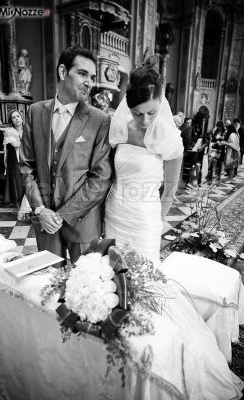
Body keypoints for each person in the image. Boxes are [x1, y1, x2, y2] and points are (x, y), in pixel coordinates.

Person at [104, 64, 244, 399]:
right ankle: (121, 345)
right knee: (116, 278)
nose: (144, 121)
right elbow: (109, 172)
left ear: (159, 103)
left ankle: (157, 357)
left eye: (150, 112)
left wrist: (151, 220)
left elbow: (169, 193)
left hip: (143, 218)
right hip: (114, 211)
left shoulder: (169, 138)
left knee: (145, 282)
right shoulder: (119, 128)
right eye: (137, 113)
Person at [19, 45, 113, 263]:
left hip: (83, 225)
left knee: (87, 289)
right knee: (51, 286)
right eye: (82, 73)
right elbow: (26, 166)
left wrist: (63, 215)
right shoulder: (35, 112)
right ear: (62, 72)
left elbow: (101, 177)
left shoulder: (100, 120)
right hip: (45, 223)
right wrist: (41, 209)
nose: (89, 82)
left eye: (92, 76)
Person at [4, 110, 32, 220]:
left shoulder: (28, 129)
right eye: (13, 117)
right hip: (15, 161)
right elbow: (15, 144)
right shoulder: (8, 131)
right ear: (11, 120)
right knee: (17, 184)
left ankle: (28, 210)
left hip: (28, 159)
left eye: (18, 116)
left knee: (28, 184)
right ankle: (19, 208)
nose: (16, 119)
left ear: (22, 117)